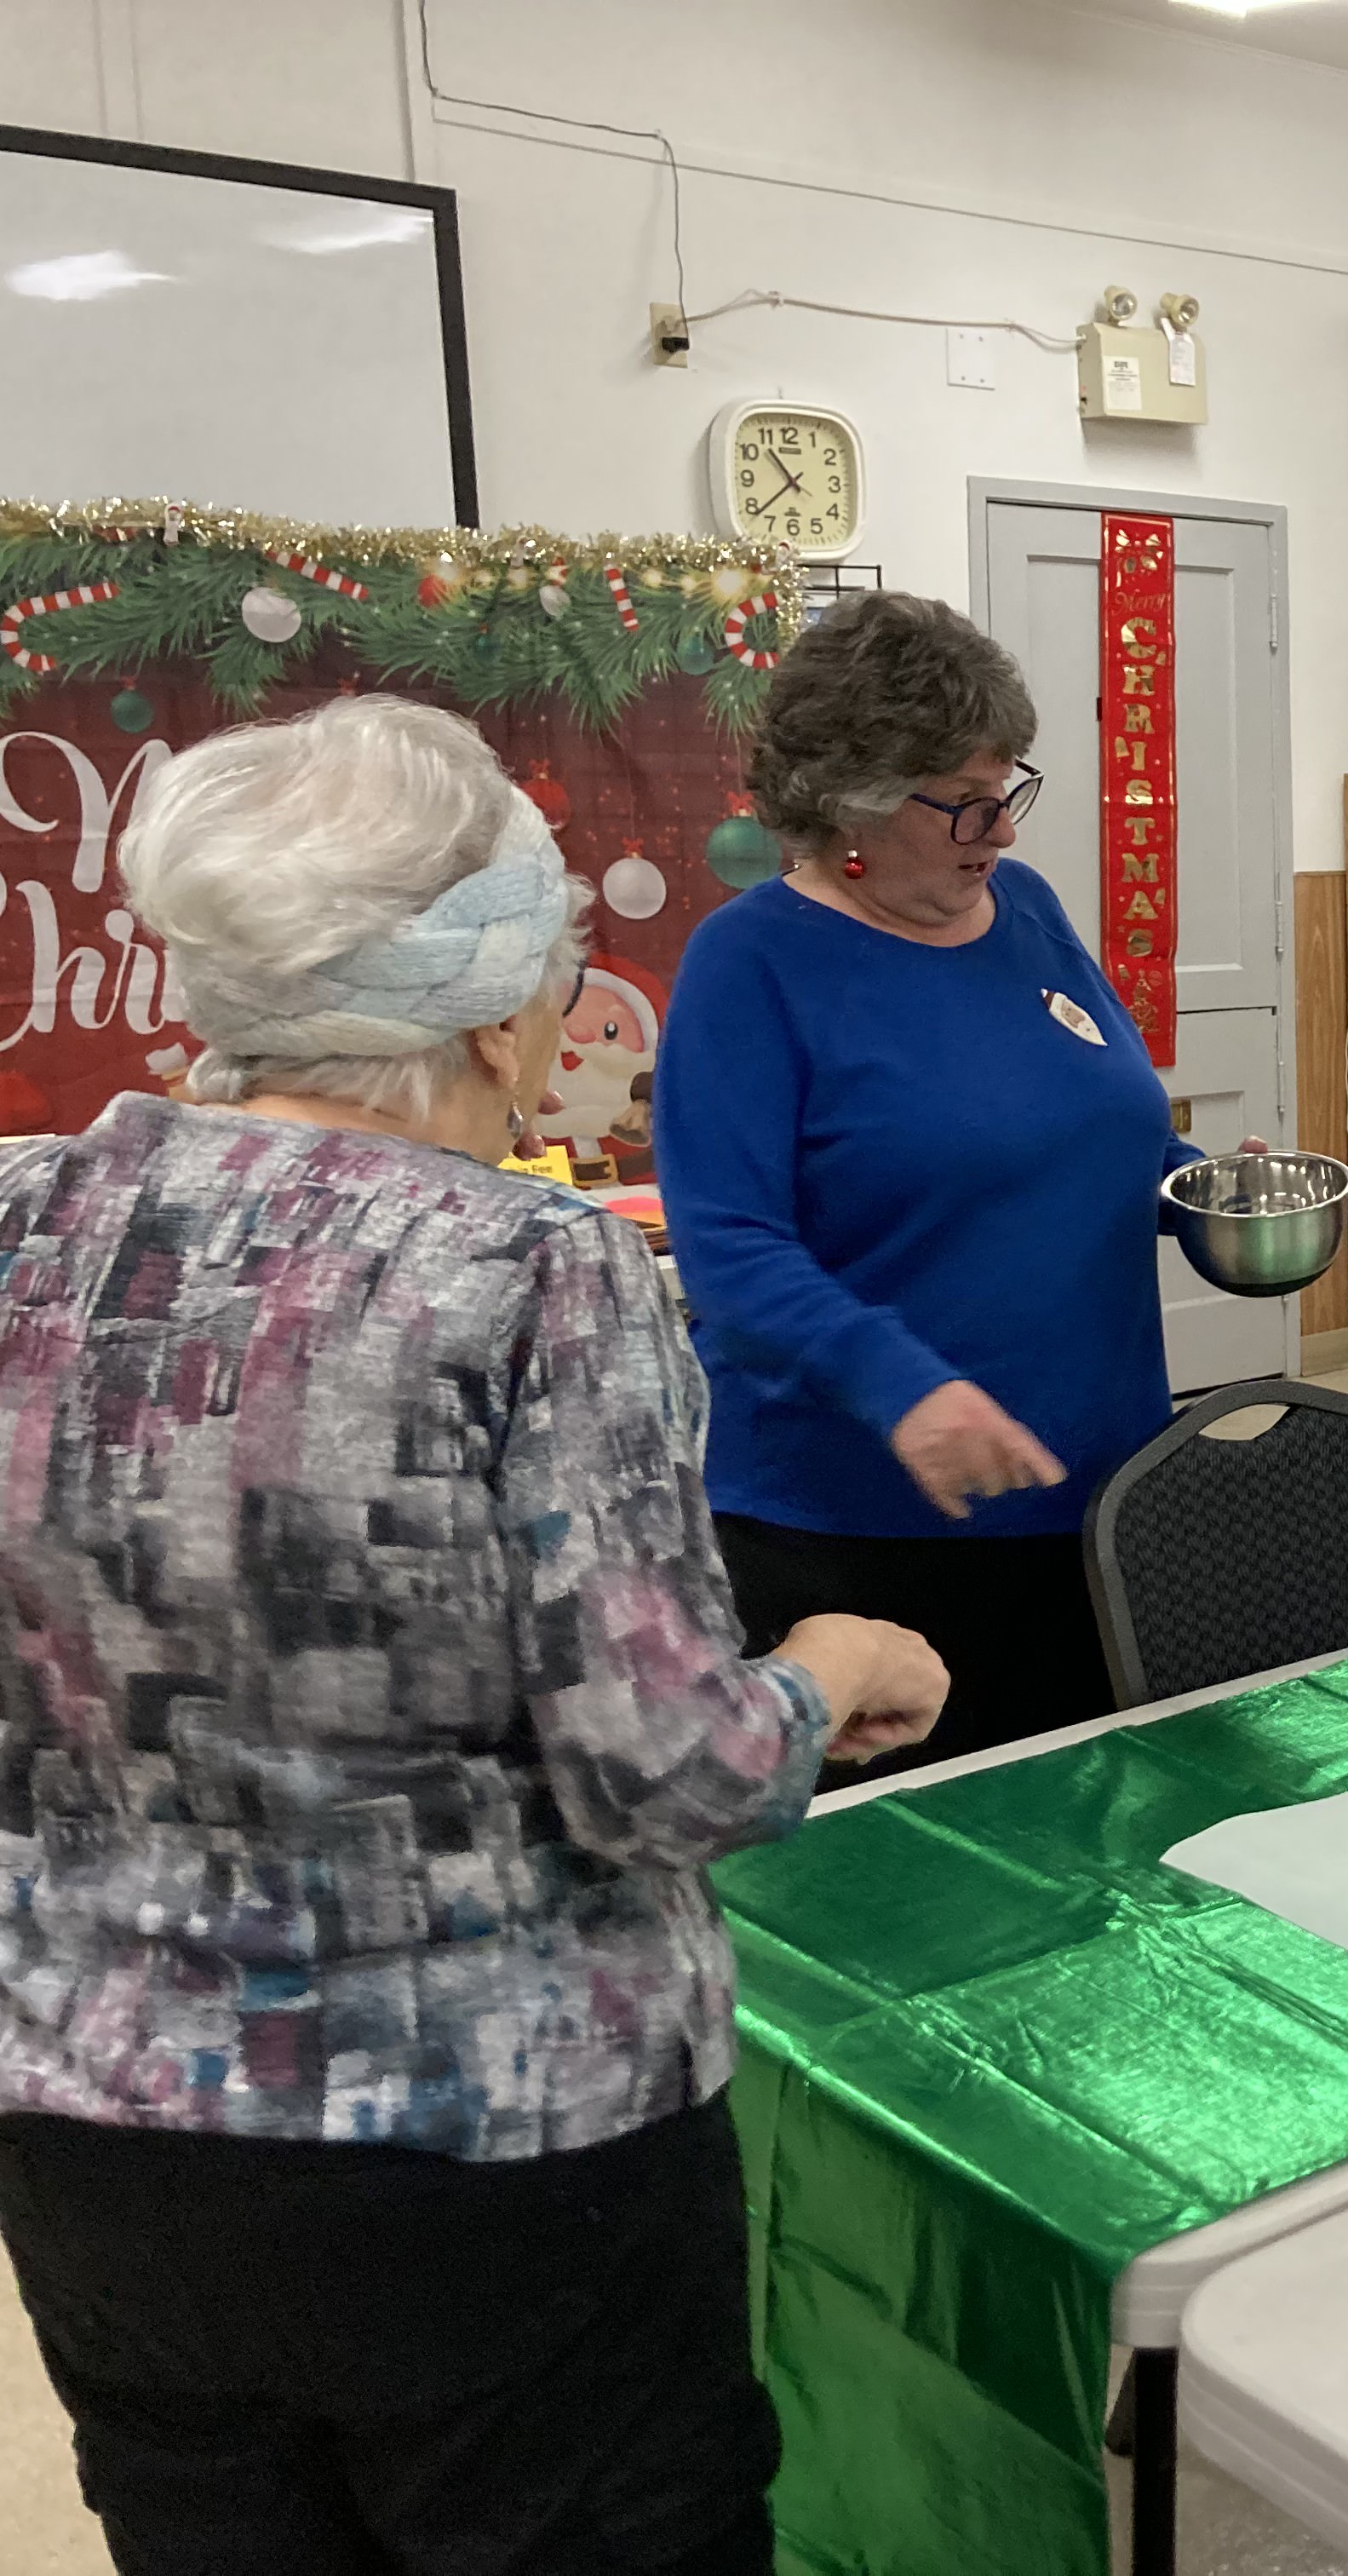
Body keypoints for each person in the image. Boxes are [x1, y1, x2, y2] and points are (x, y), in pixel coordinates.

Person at [0, 696, 948, 2575]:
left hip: (96, 2143)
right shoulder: (529, 1267)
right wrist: (831, 1667)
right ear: (501, 1009)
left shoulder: (28, 1214)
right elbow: (661, 1773)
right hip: (491, 2156)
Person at [653, 593, 1209, 1774]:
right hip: (859, 1532)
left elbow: (1098, 1131)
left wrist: (1204, 1196)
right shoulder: (751, 963)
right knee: (904, 1868)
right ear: (849, 798)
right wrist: (902, 1387)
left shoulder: (1029, 912)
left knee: (1090, 1834)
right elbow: (731, 1254)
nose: (996, 830)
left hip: (1097, 1496)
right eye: (961, 800)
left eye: (1005, 790)